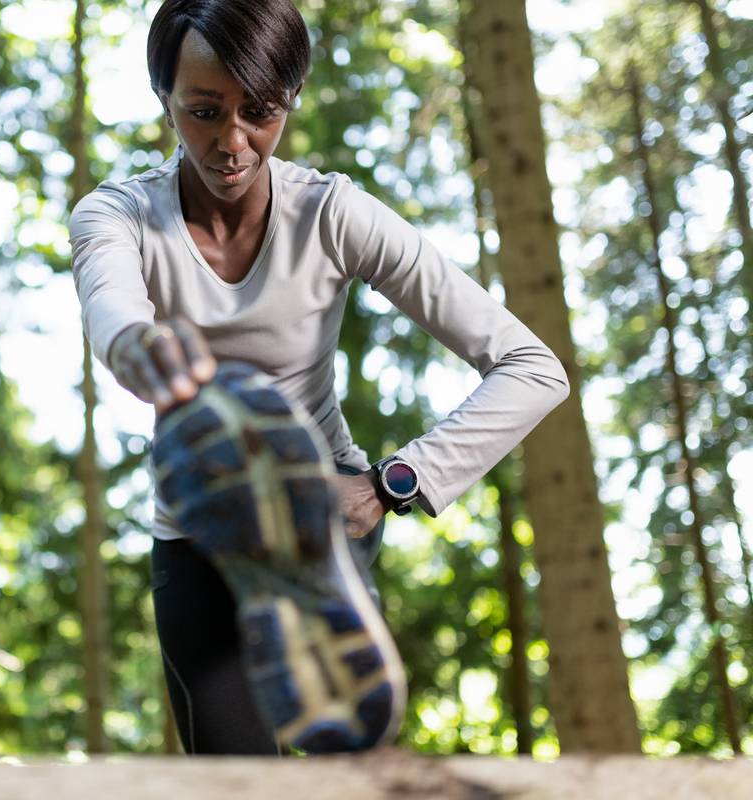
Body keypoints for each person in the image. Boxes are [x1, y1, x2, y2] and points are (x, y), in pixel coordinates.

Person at [68, 0, 569, 755]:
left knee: (344, 768)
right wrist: (141, 350)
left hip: (323, 502)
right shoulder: (118, 216)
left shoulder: (332, 214)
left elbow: (533, 368)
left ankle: (311, 566)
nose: (233, 143)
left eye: (260, 113)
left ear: (289, 101)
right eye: (204, 112)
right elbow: (112, 307)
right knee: (236, 778)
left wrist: (391, 482)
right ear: (163, 97)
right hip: (198, 519)